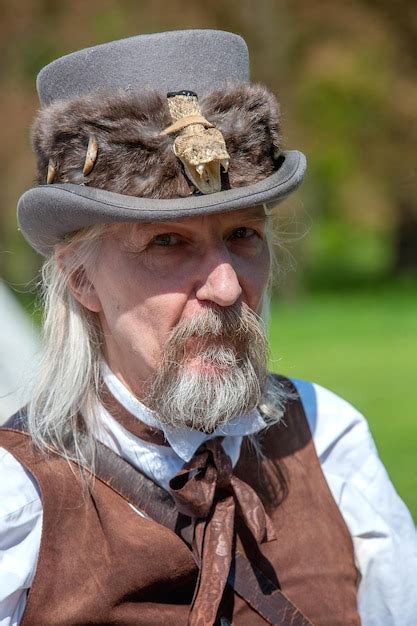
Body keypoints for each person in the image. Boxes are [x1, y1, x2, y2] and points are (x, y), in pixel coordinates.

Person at [0, 29, 415, 626]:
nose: (225, 287)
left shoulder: (328, 442)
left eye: (243, 235)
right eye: (167, 242)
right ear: (81, 281)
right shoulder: (20, 504)